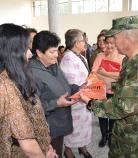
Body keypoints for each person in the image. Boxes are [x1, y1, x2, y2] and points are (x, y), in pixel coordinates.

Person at [80, 15, 138, 158]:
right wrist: (98, 87)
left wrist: (89, 102)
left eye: (115, 39)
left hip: (134, 134)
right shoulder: (131, 60)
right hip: (126, 127)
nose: (112, 44)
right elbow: (126, 86)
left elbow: (122, 107)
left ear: (127, 38)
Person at [0, 24, 57, 157]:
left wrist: (47, 146)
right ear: (13, 52)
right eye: (26, 48)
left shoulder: (16, 77)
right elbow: (27, 145)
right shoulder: (5, 86)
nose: (30, 53)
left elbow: (35, 115)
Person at [29, 31, 78, 157]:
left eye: (57, 50)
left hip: (60, 123)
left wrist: (80, 88)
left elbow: (64, 87)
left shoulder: (53, 65)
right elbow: (31, 108)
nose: (56, 55)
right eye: (52, 52)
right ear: (39, 53)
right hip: (47, 129)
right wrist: (56, 103)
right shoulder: (31, 74)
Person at [60, 29, 92, 158]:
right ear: (75, 42)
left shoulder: (81, 56)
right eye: (83, 40)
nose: (85, 42)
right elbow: (71, 85)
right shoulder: (68, 58)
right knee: (73, 130)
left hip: (85, 99)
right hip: (76, 103)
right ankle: (67, 150)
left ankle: (82, 147)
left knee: (83, 128)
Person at [92, 35, 125, 147]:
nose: (110, 45)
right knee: (102, 116)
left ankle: (111, 136)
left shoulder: (122, 57)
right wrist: (113, 76)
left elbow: (122, 76)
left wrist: (103, 73)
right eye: (107, 43)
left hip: (115, 92)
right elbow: (93, 72)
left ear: (116, 44)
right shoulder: (100, 56)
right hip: (100, 91)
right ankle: (104, 136)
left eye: (112, 43)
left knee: (112, 117)